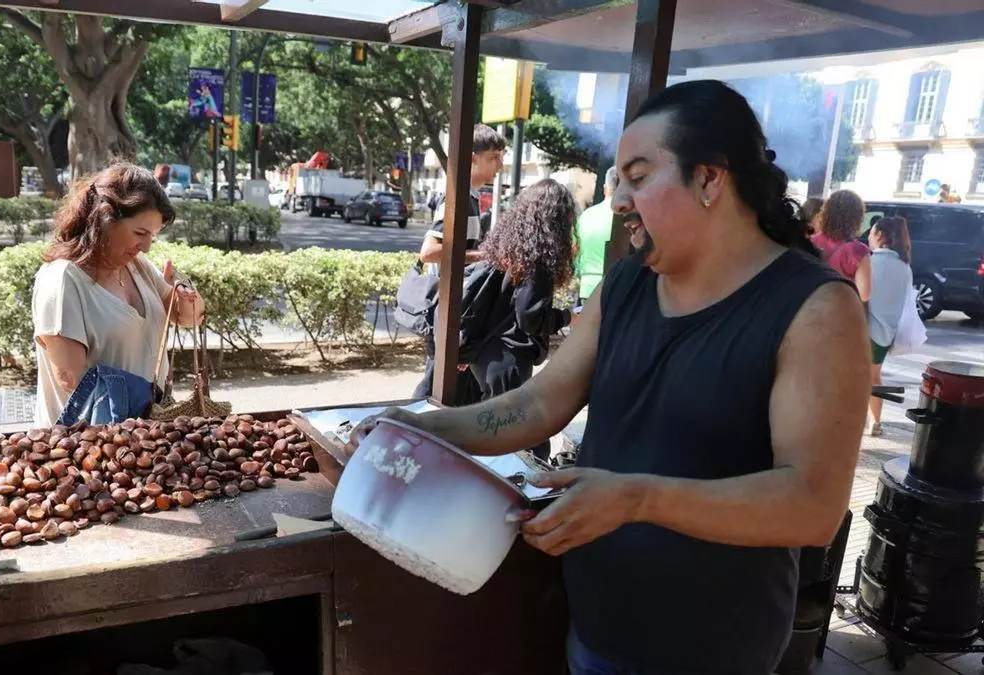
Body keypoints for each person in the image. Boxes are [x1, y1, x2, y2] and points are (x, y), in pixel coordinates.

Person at [357, 80, 869, 674]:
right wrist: (424, 429)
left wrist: (636, 498)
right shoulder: (627, 285)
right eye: (619, 179)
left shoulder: (815, 309)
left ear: (709, 179)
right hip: (597, 622)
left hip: (711, 646)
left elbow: (812, 507)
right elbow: (540, 402)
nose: (619, 199)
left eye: (640, 175)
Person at [32, 162, 206, 427]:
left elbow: (188, 318)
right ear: (104, 219)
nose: (146, 247)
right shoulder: (62, 279)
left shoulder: (136, 266)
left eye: (153, 236)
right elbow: (70, 378)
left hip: (143, 439)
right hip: (89, 447)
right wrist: (137, 419)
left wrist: (185, 296)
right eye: (140, 233)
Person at [464, 178, 575, 460]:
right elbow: (530, 318)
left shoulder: (510, 248)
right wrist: (567, 318)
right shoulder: (539, 259)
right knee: (522, 442)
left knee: (494, 435)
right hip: (508, 358)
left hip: (487, 356)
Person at [413, 124, 506, 403]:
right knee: (433, 391)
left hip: (456, 311)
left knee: (448, 391)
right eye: (494, 157)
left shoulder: (471, 197)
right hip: (447, 311)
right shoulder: (460, 198)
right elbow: (429, 252)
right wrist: (486, 256)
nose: (500, 165)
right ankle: (399, 432)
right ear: (472, 158)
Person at [866, 216, 914, 437]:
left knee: (858, 379)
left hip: (866, 329)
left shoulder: (871, 261)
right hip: (886, 334)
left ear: (880, 235)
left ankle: (856, 423)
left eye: (872, 231)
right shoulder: (905, 268)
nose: (869, 235)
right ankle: (876, 422)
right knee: (875, 377)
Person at [812, 190, 872, 303]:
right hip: (838, 311)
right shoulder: (858, 251)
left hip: (810, 310)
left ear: (826, 212)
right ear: (857, 218)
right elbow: (864, 294)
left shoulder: (810, 242)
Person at [574, 166, 616, 304]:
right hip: (619, 287)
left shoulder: (586, 216)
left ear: (605, 188)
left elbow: (574, 250)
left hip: (587, 289)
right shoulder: (627, 219)